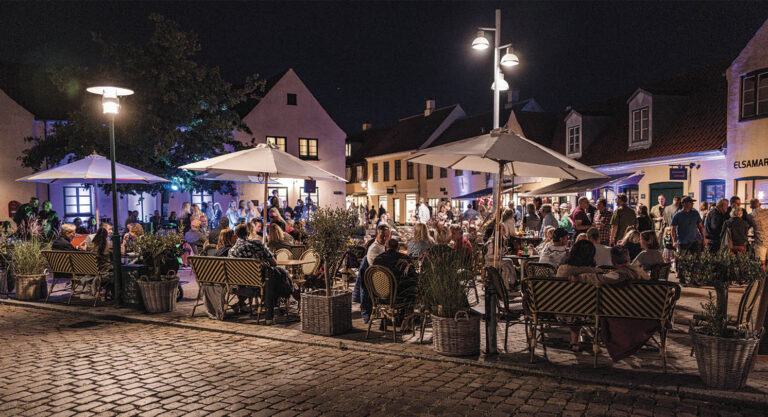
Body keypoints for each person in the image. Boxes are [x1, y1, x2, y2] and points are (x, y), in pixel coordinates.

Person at [228, 224, 294, 323]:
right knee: (280, 275)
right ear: (248, 233)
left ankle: (276, 301)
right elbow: (274, 263)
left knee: (275, 275)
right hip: (259, 284)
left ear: (235, 234)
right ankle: (285, 296)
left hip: (239, 284)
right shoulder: (256, 244)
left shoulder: (231, 251)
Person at [554, 239, 599, 352]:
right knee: (579, 305)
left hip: (562, 312)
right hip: (589, 313)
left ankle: (574, 341)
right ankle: (590, 339)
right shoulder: (595, 273)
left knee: (572, 304)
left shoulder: (563, 270)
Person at [671, 196, 706, 284]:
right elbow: (673, 229)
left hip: (694, 240)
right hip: (682, 241)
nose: (692, 204)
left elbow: (700, 226)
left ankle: (694, 279)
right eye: (690, 202)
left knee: (695, 260)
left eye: (691, 202)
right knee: (682, 261)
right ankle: (682, 279)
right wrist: (674, 241)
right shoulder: (678, 215)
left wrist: (703, 238)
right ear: (684, 203)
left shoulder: (695, 213)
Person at [372, 238, 418, 303]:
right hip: (399, 295)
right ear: (398, 248)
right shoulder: (404, 258)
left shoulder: (377, 260)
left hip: (380, 296)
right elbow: (412, 278)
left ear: (385, 248)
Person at [748, 199, 768, 267]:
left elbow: (747, 227)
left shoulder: (750, 216)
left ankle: (762, 277)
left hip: (760, 241)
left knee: (761, 263)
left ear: (750, 206)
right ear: (759, 204)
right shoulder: (766, 211)